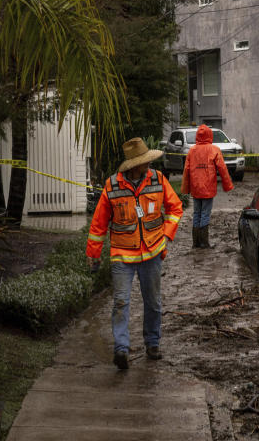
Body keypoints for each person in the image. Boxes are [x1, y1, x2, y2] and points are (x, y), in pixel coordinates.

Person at [86, 138, 183, 370]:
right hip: (122, 255)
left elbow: (175, 208)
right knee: (121, 302)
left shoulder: (158, 180)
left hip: (152, 253)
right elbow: (99, 224)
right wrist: (94, 253)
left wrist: (166, 236)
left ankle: (152, 343)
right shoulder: (112, 186)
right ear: (132, 166)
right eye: (144, 162)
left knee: (153, 302)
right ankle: (121, 349)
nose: (148, 164)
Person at [181, 123, 233, 248]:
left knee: (196, 213)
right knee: (205, 213)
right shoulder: (214, 149)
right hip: (208, 187)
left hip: (196, 188)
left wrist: (185, 188)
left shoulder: (192, 150)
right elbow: (222, 168)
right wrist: (227, 185)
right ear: (210, 135)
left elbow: (186, 170)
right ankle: (204, 242)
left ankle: (196, 242)